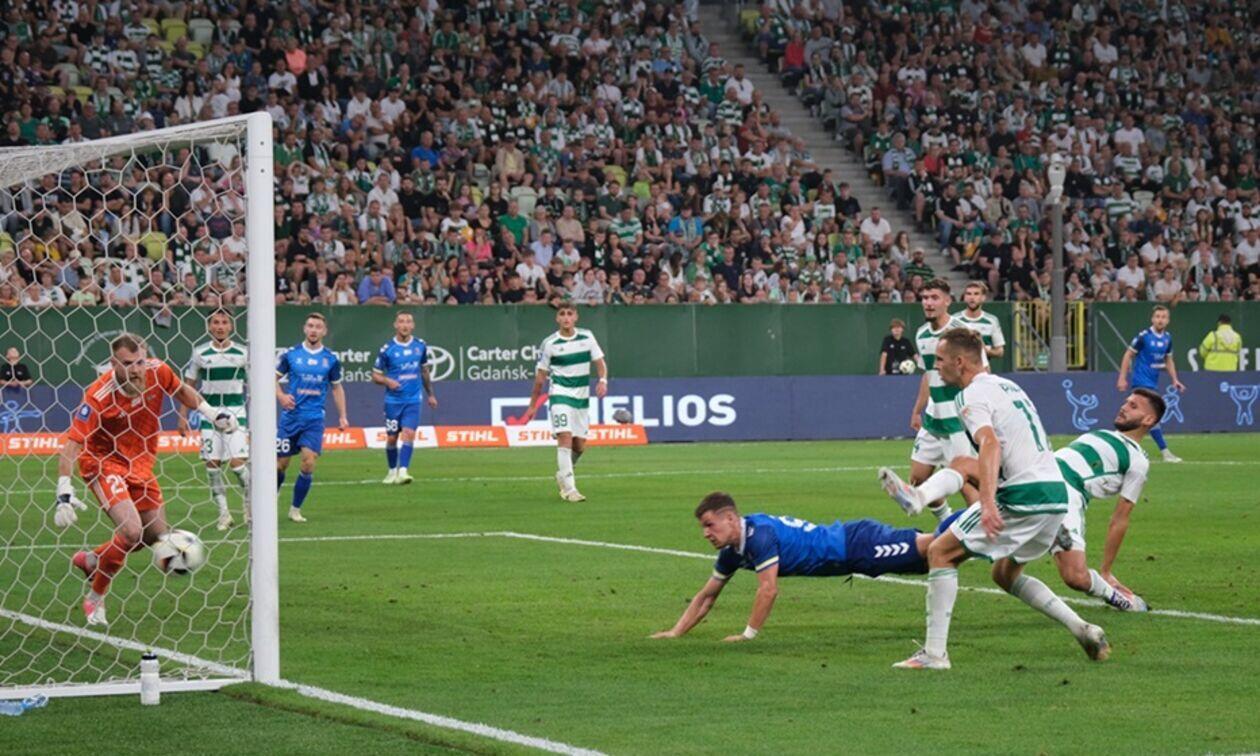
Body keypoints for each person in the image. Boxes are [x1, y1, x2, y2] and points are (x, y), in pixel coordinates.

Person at [878, 329, 1108, 670]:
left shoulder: (969, 395)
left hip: (1023, 495)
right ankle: (1083, 628)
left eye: (940, 360)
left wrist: (986, 502)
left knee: (940, 553)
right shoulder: (1008, 386)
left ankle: (935, 655)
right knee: (1004, 573)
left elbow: (990, 444)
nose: (936, 366)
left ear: (959, 362)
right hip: (1055, 496)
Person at [54, 333, 237, 625]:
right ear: (114, 363)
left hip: (140, 463)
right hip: (103, 463)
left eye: (139, 362)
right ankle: (95, 597)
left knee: (153, 535)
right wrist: (64, 491)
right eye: (128, 364)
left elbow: (181, 391)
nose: (136, 369)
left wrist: (212, 413)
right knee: (131, 532)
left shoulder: (156, 371)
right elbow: (72, 444)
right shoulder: (98, 395)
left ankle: (92, 560)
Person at [649, 492, 941, 642]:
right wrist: (676, 631)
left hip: (857, 544)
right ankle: (968, 530)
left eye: (709, 525)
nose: (706, 533)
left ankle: (965, 519)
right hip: (853, 557)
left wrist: (748, 635)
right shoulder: (732, 551)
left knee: (938, 545)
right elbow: (707, 596)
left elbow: (768, 590)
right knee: (940, 558)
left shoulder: (759, 535)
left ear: (730, 519)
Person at [1050, 389, 1165, 612]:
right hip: (1038, 477)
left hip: (1064, 493)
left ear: (1148, 420)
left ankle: (1122, 600)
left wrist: (1106, 570)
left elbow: (1120, 518)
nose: (1124, 407)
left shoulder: (1137, 460)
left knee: (1075, 577)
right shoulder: (1100, 433)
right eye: (1126, 402)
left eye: (1133, 406)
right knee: (1004, 573)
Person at [905, 279, 982, 523]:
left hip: (958, 421)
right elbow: (929, 375)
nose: (928, 303)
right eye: (925, 298)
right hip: (933, 419)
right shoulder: (922, 334)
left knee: (967, 484)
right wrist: (917, 410)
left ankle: (982, 533)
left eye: (934, 298)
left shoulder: (963, 334)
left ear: (947, 301)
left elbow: (982, 374)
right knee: (918, 480)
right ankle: (946, 521)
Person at [520, 303, 608, 502]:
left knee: (579, 446)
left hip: (581, 398)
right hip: (559, 394)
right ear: (557, 318)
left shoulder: (587, 337)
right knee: (565, 438)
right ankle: (570, 490)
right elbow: (540, 378)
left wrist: (603, 380)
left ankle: (563, 474)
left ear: (576, 317)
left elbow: (600, 363)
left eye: (570, 314)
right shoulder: (549, 343)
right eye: (562, 314)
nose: (566, 317)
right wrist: (533, 405)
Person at [176, 310, 251, 531]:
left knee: (237, 464)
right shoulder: (200, 352)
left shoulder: (243, 353)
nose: (220, 326)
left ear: (231, 326)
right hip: (209, 414)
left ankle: (249, 503)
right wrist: (182, 415)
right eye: (215, 322)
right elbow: (188, 387)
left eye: (224, 322)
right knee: (212, 467)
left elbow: (254, 384)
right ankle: (224, 514)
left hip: (236, 413)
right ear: (209, 327)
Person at [275, 312, 349, 523]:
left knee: (308, 463)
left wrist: (343, 416)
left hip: (314, 419)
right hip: (290, 418)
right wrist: (281, 396)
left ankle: (295, 509)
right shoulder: (291, 355)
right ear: (304, 328)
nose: (313, 330)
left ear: (324, 331)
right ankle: (272, 499)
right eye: (310, 326)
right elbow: (273, 378)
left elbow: (336, 388)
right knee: (280, 465)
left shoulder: (330, 359)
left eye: (318, 327)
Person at [371, 311, 438, 485]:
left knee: (409, 433)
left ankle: (403, 471)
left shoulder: (420, 346)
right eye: (401, 321)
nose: (405, 325)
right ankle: (392, 471)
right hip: (393, 401)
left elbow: (424, 371)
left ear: (413, 325)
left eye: (408, 321)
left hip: (413, 399)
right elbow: (375, 375)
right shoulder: (387, 349)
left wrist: (431, 394)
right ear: (396, 325)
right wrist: (388, 381)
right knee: (392, 438)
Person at [1117, 305, 1186, 462]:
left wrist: (1175, 379)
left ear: (1168, 320)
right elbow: (1128, 355)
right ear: (1152, 319)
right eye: (1157, 316)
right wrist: (1122, 377)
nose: (1160, 320)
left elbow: (1168, 359)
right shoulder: (1144, 336)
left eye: (1163, 317)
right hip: (1141, 382)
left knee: (1140, 417)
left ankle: (1121, 443)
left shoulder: (1167, 338)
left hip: (1152, 383)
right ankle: (1165, 452)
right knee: (1151, 416)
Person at [955, 281, 1006, 360]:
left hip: (983, 366)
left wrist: (984, 351)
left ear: (983, 297)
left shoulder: (992, 320)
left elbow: (1000, 351)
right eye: (968, 294)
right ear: (964, 297)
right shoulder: (955, 319)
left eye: (976, 294)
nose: (972, 297)